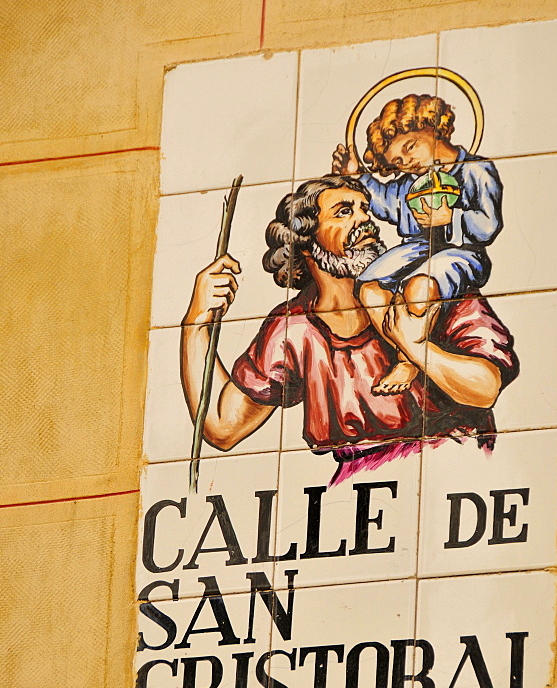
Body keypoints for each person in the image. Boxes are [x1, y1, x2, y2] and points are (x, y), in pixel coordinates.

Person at [180, 176, 518, 485]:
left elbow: (485, 388)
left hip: (457, 471)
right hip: (358, 490)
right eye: (344, 212)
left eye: (364, 209)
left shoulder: (427, 286)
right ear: (305, 243)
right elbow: (223, 428)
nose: (364, 220)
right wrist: (196, 322)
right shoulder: (293, 328)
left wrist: (411, 345)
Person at [332, 93, 503, 395]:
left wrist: (452, 218)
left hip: (460, 252)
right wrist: (356, 176)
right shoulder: (409, 184)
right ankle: (410, 349)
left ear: (433, 126)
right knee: (370, 290)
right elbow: (384, 201)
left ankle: (407, 359)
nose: (407, 161)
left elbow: (488, 225)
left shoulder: (475, 170)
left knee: (419, 289)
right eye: (398, 161)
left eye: (410, 147)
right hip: (415, 250)